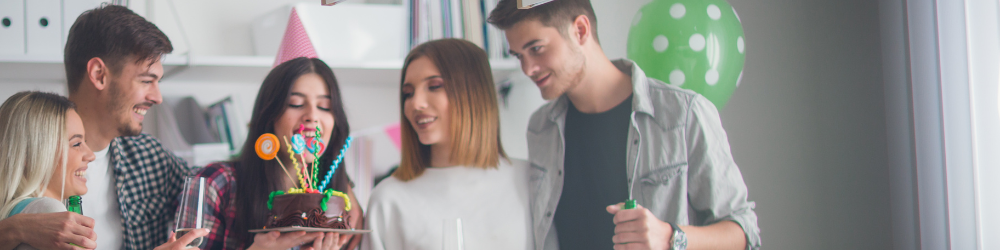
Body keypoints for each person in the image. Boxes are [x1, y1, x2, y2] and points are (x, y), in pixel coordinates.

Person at [487, 0, 762, 249]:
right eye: (519, 55)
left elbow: (745, 233)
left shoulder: (683, 113)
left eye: (536, 49)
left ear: (581, 30)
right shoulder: (541, 128)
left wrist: (670, 237)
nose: (528, 69)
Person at [0, 5, 206, 250]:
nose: (157, 97)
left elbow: (216, 192)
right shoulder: (10, 152)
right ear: (99, 75)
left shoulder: (151, 157)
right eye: (147, 80)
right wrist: (18, 228)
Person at [366, 38, 534, 250]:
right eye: (408, 93)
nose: (416, 103)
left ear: (473, 92)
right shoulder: (388, 200)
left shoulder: (529, 180)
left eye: (434, 86)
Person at [193, 57, 363, 250]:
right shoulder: (218, 184)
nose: (313, 116)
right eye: (296, 103)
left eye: (324, 106)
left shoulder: (337, 204)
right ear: (269, 115)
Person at [0, 91, 97, 250]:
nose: (91, 155)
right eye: (76, 144)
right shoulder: (49, 213)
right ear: (31, 155)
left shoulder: (11, 213)